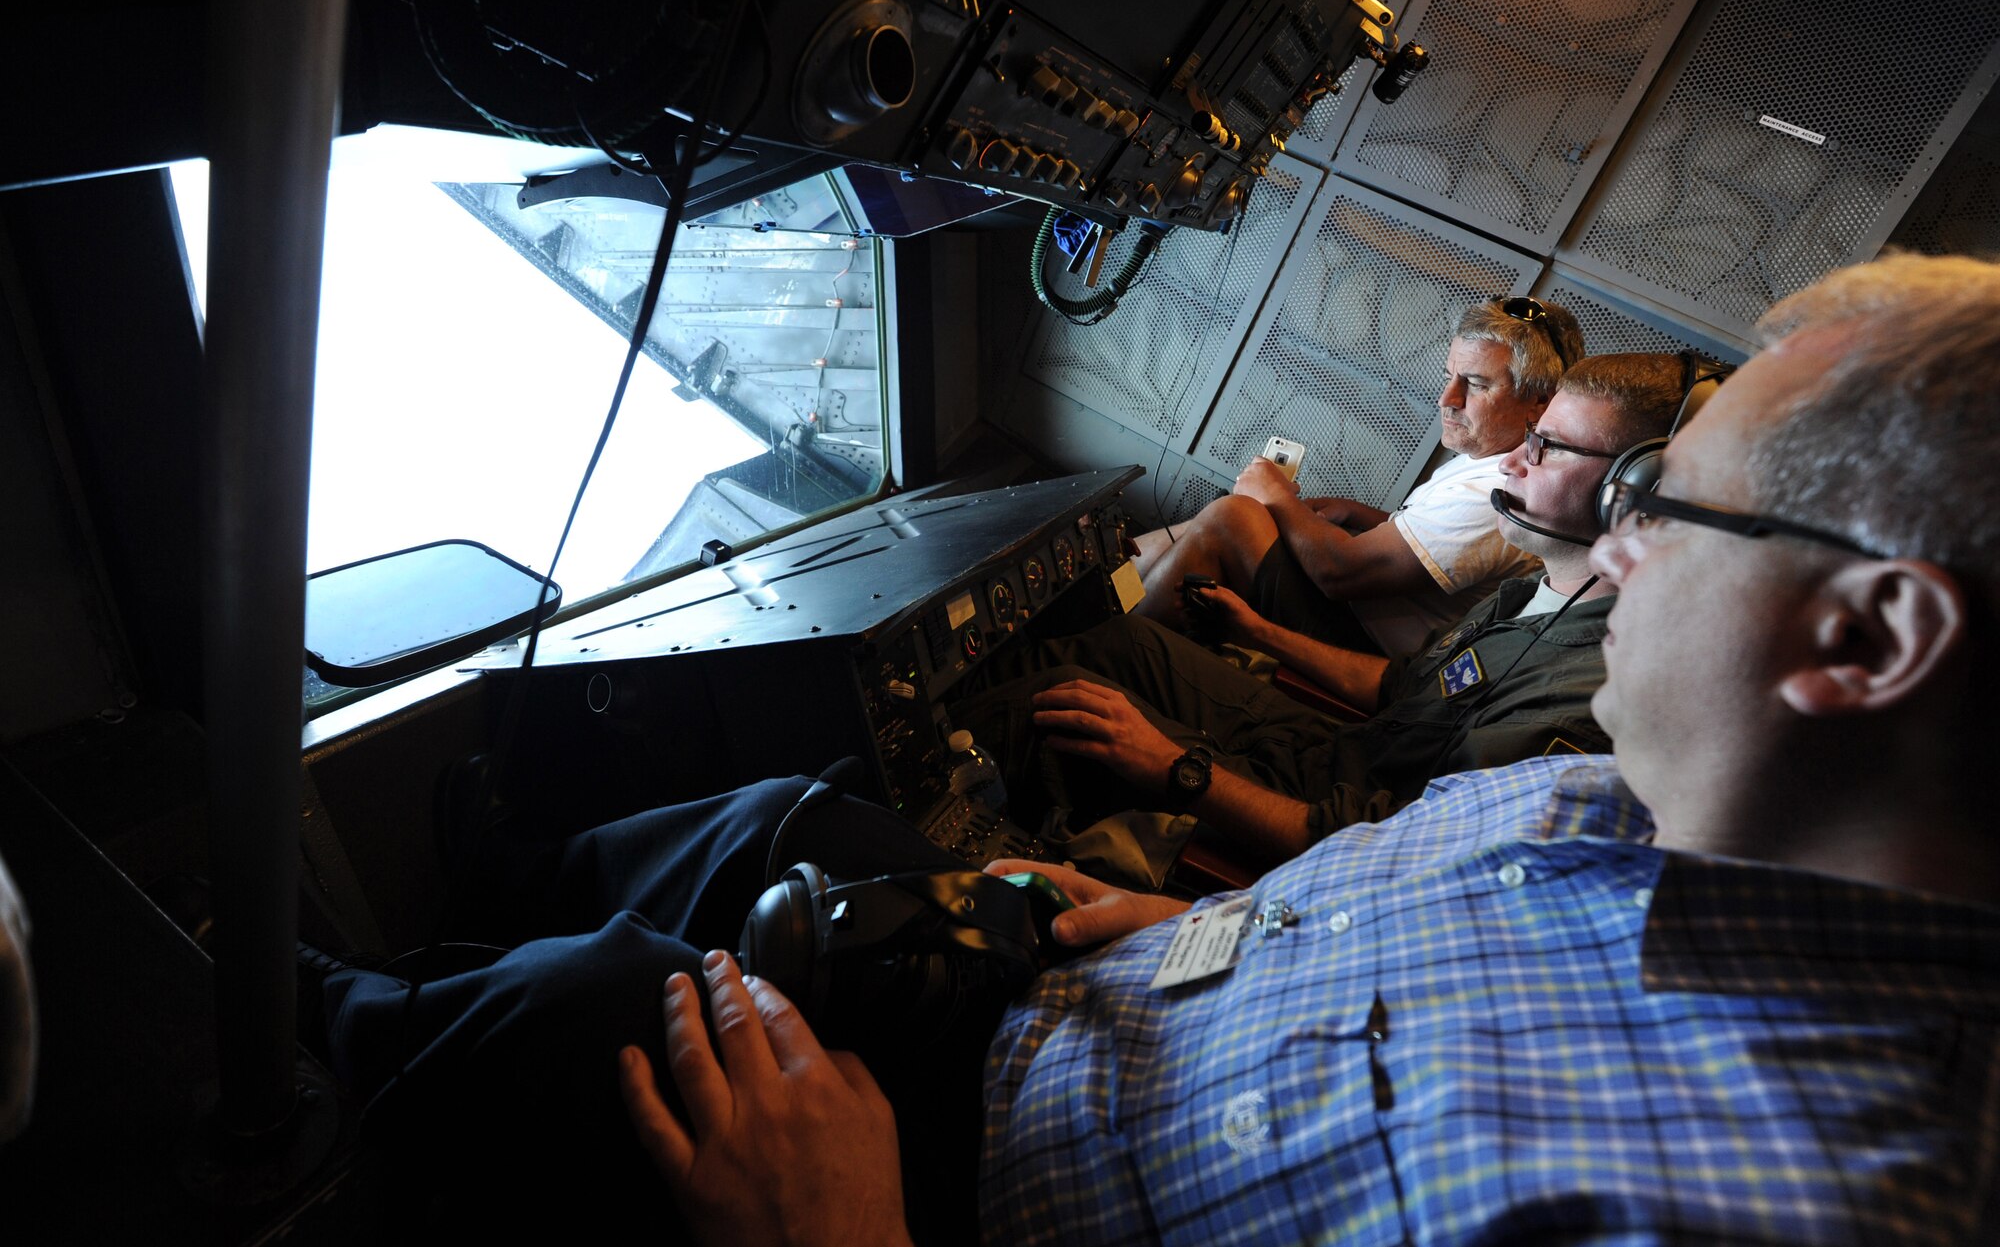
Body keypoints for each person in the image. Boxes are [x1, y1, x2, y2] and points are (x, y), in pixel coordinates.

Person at [322, 252, 2000, 1246]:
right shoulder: (1591, 802)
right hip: (1078, 1001)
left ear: (1865, 640)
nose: (1618, 547)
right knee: (780, 820)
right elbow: (1349, 913)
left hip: (966, 1189)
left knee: (617, 1011)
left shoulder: (1805, 1200)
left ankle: (300, 1053)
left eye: (1667, 502)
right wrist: (1178, 925)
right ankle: (460, 929)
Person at [949, 351, 1689, 868]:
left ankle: (928, 778)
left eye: (1548, 447)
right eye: (1529, 439)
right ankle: (946, 716)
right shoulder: (1536, 593)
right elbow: (1399, 685)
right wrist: (1260, 631)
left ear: (1634, 494)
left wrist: (1175, 767)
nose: (1517, 462)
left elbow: (1391, 851)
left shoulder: (1580, 703)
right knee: (1122, 644)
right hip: (1336, 748)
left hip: (1323, 812)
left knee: (1058, 708)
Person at [1132, 296, 1583, 656]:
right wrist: (1359, 514)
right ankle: (1120, 587)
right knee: (1240, 518)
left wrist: (1276, 497)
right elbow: (1433, 540)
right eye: (1449, 376)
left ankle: (1119, 641)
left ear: (1540, 401)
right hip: (1358, 613)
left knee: (1234, 517)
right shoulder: (1494, 455)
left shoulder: (1500, 489)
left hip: (1363, 644)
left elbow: (1341, 573)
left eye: (1477, 385)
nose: (1447, 399)